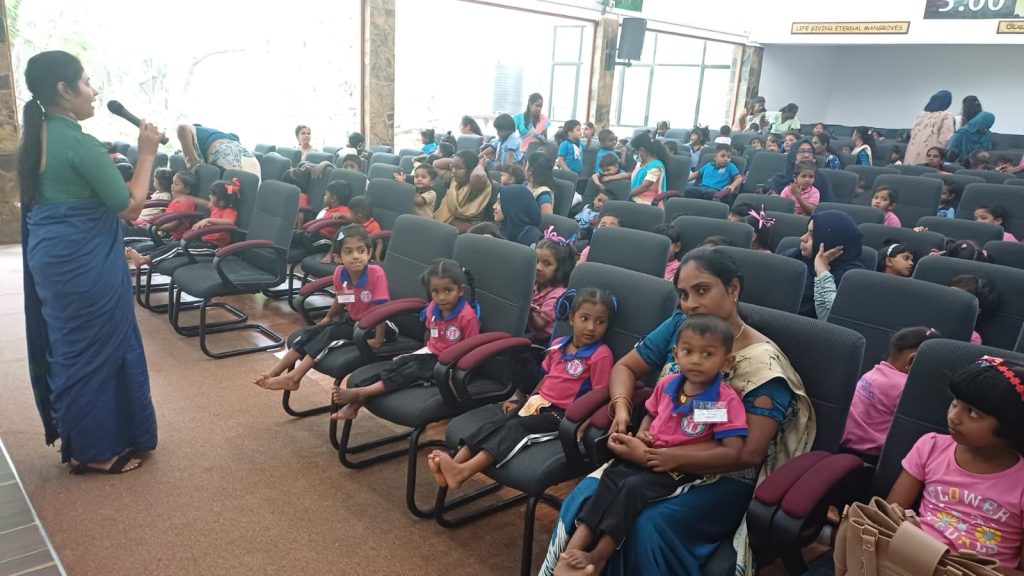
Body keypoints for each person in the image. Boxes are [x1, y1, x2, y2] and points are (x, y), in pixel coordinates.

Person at [540, 247, 814, 576]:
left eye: (702, 290)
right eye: (683, 294)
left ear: (733, 289)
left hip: (721, 474)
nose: (691, 304)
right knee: (587, 492)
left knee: (648, 522)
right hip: (658, 451)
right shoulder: (683, 326)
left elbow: (749, 452)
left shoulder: (764, 366)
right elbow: (626, 368)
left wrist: (664, 457)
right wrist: (624, 412)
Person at [20, 50, 160, 474]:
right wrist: (147, 152)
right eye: (86, 82)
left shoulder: (37, 133)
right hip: (84, 267)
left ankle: (100, 437)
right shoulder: (80, 144)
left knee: (72, 349)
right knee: (92, 354)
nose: (94, 90)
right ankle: (92, 451)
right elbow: (130, 207)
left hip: (54, 258)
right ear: (64, 91)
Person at [554, 315, 748, 575]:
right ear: (676, 354)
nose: (696, 360)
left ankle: (598, 556)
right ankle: (572, 551)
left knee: (633, 488)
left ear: (726, 362)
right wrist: (643, 433)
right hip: (644, 455)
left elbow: (729, 447)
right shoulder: (668, 385)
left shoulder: (718, 401)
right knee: (610, 479)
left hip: (680, 469)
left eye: (708, 354)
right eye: (689, 352)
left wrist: (671, 455)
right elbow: (651, 414)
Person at [428, 287, 616, 489]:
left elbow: (600, 395)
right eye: (584, 318)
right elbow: (547, 379)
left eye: (600, 322)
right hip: (538, 404)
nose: (591, 327)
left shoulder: (600, 355)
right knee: (498, 423)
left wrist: (583, 424)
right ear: (571, 318)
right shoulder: (559, 345)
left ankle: (463, 471)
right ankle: (455, 463)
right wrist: (525, 400)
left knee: (516, 428)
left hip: (563, 416)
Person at [887, 357, 1024, 572]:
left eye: (973, 413)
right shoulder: (931, 447)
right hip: (914, 559)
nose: (954, 417)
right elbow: (891, 513)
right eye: (954, 403)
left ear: (1011, 425)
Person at [332, 259, 480, 420]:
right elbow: (431, 334)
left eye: (448, 291)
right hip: (431, 354)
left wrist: (455, 377)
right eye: (435, 292)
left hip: (450, 365)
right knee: (395, 366)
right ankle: (354, 404)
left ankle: (361, 393)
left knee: (409, 371)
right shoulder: (433, 308)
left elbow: (471, 350)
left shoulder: (467, 317)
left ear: (460, 290)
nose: (441, 297)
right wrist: (420, 353)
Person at [254, 225, 391, 391]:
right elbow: (342, 298)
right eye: (348, 252)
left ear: (368, 253)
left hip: (376, 326)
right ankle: (275, 371)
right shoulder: (341, 273)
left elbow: (382, 310)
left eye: (360, 251)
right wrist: (329, 317)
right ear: (338, 257)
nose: (356, 256)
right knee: (310, 332)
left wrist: (379, 339)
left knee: (330, 335)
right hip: (353, 322)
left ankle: (294, 378)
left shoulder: (376, 274)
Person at [841, 327, 941, 459]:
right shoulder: (904, 387)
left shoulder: (873, 372)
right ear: (912, 361)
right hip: (868, 453)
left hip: (843, 439)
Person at [125, 178, 240, 268]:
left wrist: (208, 220)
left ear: (221, 201)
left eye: (212, 195)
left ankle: (144, 260)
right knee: (172, 245)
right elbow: (203, 202)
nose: (209, 197)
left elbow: (230, 222)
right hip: (202, 241)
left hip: (214, 248)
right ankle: (144, 257)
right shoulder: (216, 207)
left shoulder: (230, 212)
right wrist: (187, 198)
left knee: (176, 247)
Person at [786, 210, 864, 318]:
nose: (803, 238)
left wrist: (821, 269)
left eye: (812, 235)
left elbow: (832, 319)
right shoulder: (794, 256)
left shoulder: (850, 280)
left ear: (832, 240)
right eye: (806, 232)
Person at [433, 151, 493, 233]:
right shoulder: (453, 180)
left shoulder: (477, 187)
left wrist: (479, 165)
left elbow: (478, 175)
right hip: (446, 227)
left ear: (471, 170)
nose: (453, 171)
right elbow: (436, 164)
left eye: (459, 168)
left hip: (468, 232)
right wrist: (456, 160)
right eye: (453, 167)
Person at [530, 236, 575, 344]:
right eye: (536, 261)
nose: (538, 267)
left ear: (560, 269)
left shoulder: (558, 295)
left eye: (546, 264)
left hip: (542, 341)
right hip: (528, 329)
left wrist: (528, 311)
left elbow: (539, 325)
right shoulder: (535, 283)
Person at [176, 123, 260, 178]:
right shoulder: (221, 134)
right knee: (251, 198)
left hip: (226, 153)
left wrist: (191, 166)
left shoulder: (190, 129)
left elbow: (182, 127)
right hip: (249, 158)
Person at [763, 140, 835, 202]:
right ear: (792, 156)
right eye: (801, 152)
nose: (806, 155)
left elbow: (828, 207)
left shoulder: (821, 179)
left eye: (810, 152)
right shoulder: (779, 180)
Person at [903, 90, 955, 166]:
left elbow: (912, 133)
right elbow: (945, 139)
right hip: (930, 156)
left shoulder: (920, 115)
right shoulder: (946, 115)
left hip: (911, 156)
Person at [950, 274, 999, 345]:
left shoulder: (971, 338)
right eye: (948, 294)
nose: (949, 300)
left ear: (975, 311)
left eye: (957, 299)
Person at [947, 96, 995, 163]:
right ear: (979, 122)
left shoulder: (987, 135)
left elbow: (987, 152)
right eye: (984, 126)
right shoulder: (962, 133)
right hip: (961, 163)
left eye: (988, 127)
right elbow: (950, 152)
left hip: (980, 164)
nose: (985, 129)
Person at [628, 133, 671, 205]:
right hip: (634, 198)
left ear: (641, 150)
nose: (633, 154)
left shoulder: (655, 166)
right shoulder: (640, 162)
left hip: (646, 202)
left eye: (634, 151)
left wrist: (625, 195)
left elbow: (645, 186)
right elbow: (632, 175)